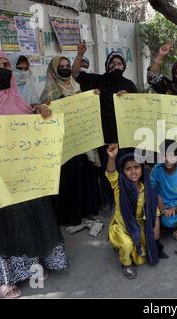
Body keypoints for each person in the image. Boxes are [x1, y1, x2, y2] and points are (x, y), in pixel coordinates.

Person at [0, 50, 67, 298]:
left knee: (27, 217)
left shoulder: (17, 98)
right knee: (0, 223)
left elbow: (31, 129)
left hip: (23, 173)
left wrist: (41, 112)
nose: (2, 68)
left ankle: (30, 267)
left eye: (5, 64)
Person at [73, 41, 139, 213]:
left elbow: (139, 108)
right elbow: (76, 74)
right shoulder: (97, 80)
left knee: (127, 169)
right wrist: (80, 55)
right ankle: (109, 202)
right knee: (106, 171)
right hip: (104, 137)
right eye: (112, 63)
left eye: (119, 64)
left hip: (125, 138)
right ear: (106, 65)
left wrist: (129, 98)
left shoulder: (129, 85)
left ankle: (127, 200)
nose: (116, 66)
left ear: (124, 66)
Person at [41, 56, 101, 230]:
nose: (66, 68)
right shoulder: (48, 92)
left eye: (68, 65)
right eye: (61, 66)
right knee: (69, 178)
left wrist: (92, 97)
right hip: (64, 144)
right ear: (53, 69)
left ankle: (88, 211)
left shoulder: (76, 86)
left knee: (86, 175)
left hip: (81, 140)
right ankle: (71, 216)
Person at [105, 144, 166, 279]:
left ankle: (123, 247)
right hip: (121, 226)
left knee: (141, 257)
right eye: (128, 169)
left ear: (142, 168)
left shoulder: (146, 187)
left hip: (138, 225)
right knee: (127, 245)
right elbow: (111, 174)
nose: (133, 172)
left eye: (136, 167)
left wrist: (156, 226)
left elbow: (153, 207)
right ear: (123, 171)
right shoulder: (119, 185)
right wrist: (112, 158)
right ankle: (125, 264)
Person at [150, 140, 177, 235]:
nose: (168, 160)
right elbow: (151, 186)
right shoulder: (157, 168)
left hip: (173, 205)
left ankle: (171, 223)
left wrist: (173, 208)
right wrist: (157, 198)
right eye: (165, 156)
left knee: (169, 221)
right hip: (158, 202)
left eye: (172, 156)